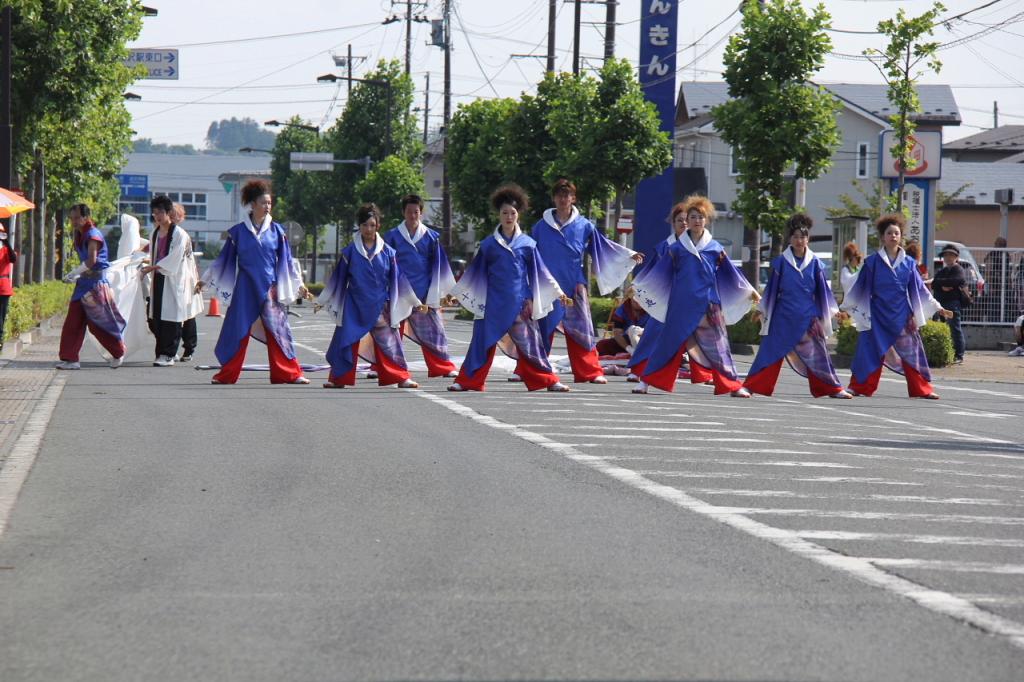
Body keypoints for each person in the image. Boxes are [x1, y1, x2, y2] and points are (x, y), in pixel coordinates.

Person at [629, 196, 759, 396]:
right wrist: (639, 287)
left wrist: (750, 291)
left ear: (705, 221)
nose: (697, 220)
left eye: (701, 217)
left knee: (719, 347)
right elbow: (660, 273)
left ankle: (732, 386)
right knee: (667, 344)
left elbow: (732, 274)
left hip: (709, 304)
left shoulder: (715, 249)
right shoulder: (677, 248)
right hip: (681, 303)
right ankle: (646, 381)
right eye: (693, 217)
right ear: (686, 221)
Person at [448, 184, 571, 392]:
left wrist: (559, 293)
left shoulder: (528, 244)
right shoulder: (488, 244)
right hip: (493, 304)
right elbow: (474, 272)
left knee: (531, 345)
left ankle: (548, 380)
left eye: (512, 213)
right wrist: (455, 293)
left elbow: (541, 273)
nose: (508, 217)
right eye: (504, 213)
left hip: (520, 304)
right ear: (499, 215)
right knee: (481, 342)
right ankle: (467, 381)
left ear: (518, 215)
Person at [528, 179, 643, 384]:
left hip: (574, 284)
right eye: (560, 195)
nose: (563, 199)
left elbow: (603, 247)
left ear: (574, 198)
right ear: (554, 198)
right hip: (547, 285)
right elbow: (529, 254)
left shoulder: (584, 226)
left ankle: (589, 372)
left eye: (567, 195)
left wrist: (628, 256)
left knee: (582, 330)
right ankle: (531, 370)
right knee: (541, 328)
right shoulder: (540, 227)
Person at [197, 179, 311, 385]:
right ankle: (227, 374)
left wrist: (299, 284)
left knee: (279, 330)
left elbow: (287, 262)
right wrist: (204, 280)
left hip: (270, 288)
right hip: (245, 288)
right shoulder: (238, 232)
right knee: (237, 329)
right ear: (252, 204)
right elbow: (223, 260)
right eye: (263, 203)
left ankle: (289, 373)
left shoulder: (278, 231)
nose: (267, 206)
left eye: (269, 203)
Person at [841, 213, 953, 399]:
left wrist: (937, 307)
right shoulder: (872, 262)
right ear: (883, 237)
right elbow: (859, 287)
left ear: (901, 237)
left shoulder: (909, 263)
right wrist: (845, 309)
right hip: (877, 314)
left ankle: (921, 389)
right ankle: (859, 386)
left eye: (897, 233)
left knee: (912, 351)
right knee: (868, 351)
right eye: (889, 233)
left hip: (902, 315)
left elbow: (920, 290)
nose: (893, 236)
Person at [743, 214, 851, 398]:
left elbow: (823, 291)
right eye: (795, 237)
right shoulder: (781, 263)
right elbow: (771, 290)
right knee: (770, 351)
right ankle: (751, 386)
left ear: (808, 239)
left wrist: (834, 312)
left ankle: (832, 388)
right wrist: (761, 310)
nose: (799, 240)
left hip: (808, 315)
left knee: (819, 353)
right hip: (783, 315)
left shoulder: (816, 263)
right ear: (790, 240)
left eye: (803, 237)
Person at [319, 203, 422, 389]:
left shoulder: (388, 253)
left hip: (380, 304)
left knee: (390, 343)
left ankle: (401, 377)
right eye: (365, 225)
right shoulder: (349, 252)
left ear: (378, 226)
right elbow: (338, 279)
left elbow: (399, 280)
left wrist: (415, 301)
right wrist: (324, 300)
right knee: (346, 340)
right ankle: (338, 378)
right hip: (354, 305)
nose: (368, 229)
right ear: (359, 226)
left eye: (372, 225)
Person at [382, 194, 458, 378]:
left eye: (416, 212)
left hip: (423, 292)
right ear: (403, 212)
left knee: (433, 332)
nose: (412, 215)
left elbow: (440, 265)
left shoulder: (432, 237)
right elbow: (383, 263)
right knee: (390, 332)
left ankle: (442, 367)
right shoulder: (392, 236)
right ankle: (384, 368)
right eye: (409, 211)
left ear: (421, 213)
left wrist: (445, 292)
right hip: (398, 291)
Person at [56, 203, 126, 369]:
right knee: (73, 322)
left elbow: (92, 260)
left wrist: (74, 272)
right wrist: (77, 275)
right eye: (72, 218)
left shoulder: (93, 234)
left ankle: (118, 352)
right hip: (83, 285)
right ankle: (71, 359)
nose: (74, 221)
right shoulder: (80, 234)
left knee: (98, 324)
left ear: (86, 217)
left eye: (77, 218)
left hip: (95, 286)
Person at [141, 196, 204, 367]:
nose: (157, 216)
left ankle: (168, 354)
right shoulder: (154, 233)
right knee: (155, 317)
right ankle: (166, 351)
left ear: (169, 213)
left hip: (175, 279)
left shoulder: (179, 234)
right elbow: (154, 254)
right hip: (159, 277)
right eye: (154, 213)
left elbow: (174, 259)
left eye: (160, 212)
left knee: (173, 317)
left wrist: (152, 267)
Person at [172, 202, 200, 362]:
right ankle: (172, 349)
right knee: (173, 315)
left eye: (175, 214)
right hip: (173, 278)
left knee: (188, 314)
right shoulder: (163, 232)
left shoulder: (181, 235)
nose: (172, 217)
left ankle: (189, 347)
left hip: (185, 277)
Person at [931, 243, 967, 364]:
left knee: (954, 328)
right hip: (941, 303)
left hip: (952, 303)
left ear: (956, 257)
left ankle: (959, 355)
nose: (948, 257)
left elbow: (957, 280)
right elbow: (934, 283)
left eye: (951, 255)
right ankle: (947, 353)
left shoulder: (958, 269)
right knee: (943, 327)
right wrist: (943, 285)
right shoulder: (943, 270)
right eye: (946, 255)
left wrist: (942, 284)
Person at [0, 224, 16, 353]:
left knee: (1, 318)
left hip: (3, 287)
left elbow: (13, 258)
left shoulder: (5, 250)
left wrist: (6, 242)